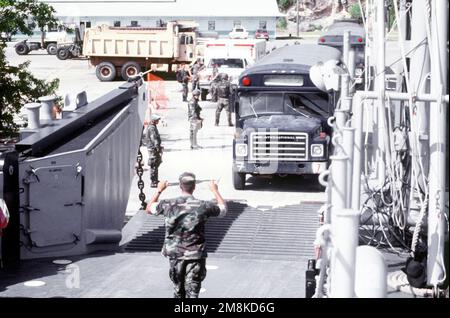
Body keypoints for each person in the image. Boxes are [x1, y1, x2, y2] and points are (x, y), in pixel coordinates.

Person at [146, 173, 227, 298]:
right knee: (192, 292)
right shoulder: (204, 205)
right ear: (194, 186)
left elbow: (149, 208)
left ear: (180, 186)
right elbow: (223, 210)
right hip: (195, 255)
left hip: (175, 254)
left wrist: (159, 190)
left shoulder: (167, 204)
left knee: (178, 291)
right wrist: (215, 190)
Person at [145, 114, 163, 187]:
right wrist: (157, 147)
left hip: (153, 148)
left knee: (156, 163)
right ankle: (153, 181)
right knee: (154, 164)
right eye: (157, 120)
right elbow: (154, 138)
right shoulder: (152, 128)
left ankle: (155, 179)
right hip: (153, 148)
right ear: (154, 120)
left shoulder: (152, 126)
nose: (158, 121)